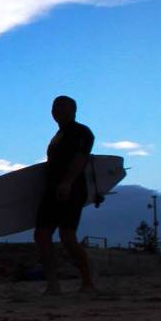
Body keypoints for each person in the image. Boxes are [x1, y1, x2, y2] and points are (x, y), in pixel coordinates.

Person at [34, 95, 95, 294]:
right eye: (54, 106)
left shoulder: (82, 132)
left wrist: (67, 182)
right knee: (42, 235)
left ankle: (87, 282)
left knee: (67, 237)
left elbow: (80, 158)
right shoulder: (57, 136)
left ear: (73, 110)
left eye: (62, 106)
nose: (56, 110)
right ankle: (53, 285)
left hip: (72, 189)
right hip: (51, 190)